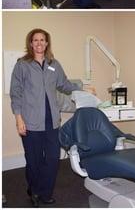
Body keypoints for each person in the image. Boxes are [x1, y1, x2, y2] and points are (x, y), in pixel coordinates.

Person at [10, 28, 96, 207]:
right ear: (31, 43)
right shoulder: (22, 65)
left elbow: (64, 85)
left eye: (42, 40)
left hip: (52, 122)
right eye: (36, 40)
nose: (39, 43)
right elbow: (16, 93)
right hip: (31, 122)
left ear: (47, 43)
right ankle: (34, 190)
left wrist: (82, 88)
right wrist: (19, 118)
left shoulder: (54, 64)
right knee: (33, 161)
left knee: (51, 160)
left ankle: (45, 193)